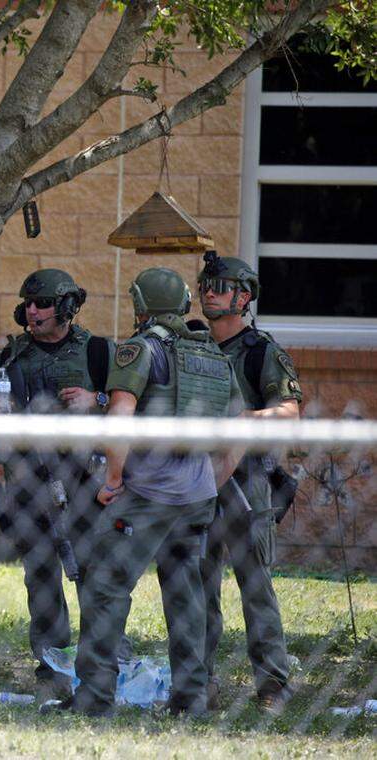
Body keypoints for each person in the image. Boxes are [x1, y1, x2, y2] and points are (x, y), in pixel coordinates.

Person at [55, 267, 244, 717]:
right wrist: (209, 484)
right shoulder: (211, 354)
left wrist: (113, 480)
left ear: (140, 305)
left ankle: (95, 698)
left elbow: (119, 417)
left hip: (146, 497)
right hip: (196, 499)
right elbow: (237, 430)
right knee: (186, 594)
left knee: (105, 587)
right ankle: (191, 698)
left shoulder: (139, 349)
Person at [0, 269, 114, 698]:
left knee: (94, 572)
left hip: (84, 481)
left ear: (67, 307)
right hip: (26, 481)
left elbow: (134, 404)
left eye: (42, 304)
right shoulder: (8, 358)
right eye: (29, 304)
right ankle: (52, 667)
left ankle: (102, 664)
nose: (32, 312)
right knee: (40, 575)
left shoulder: (98, 353)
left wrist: (99, 400)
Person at [197, 252, 299, 714]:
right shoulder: (194, 345)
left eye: (220, 286)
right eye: (205, 285)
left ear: (244, 296)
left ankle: (273, 686)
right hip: (196, 482)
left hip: (248, 486)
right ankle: (200, 683)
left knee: (255, 589)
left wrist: (245, 418)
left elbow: (289, 412)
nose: (209, 292)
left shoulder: (262, 351)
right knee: (198, 589)